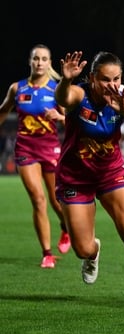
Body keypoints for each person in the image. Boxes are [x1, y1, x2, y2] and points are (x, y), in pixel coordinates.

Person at [54, 50, 124, 305]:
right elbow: (62, 97)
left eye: (116, 78)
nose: (112, 85)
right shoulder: (79, 95)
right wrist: (65, 80)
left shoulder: (123, 100)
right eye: (105, 79)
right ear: (92, 77)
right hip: (75, 178)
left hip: (110, 174)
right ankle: (93, 252)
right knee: (82, 249)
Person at [0, 44, 71, 269]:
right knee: (38, 199)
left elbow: (73, 122)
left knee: (55, 200)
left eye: (44, 59)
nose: (39, 62)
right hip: (25, 149)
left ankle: (65, 227)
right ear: (30, 61)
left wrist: (60, 117)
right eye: (36, 58)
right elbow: (3, 110)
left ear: (49, 63)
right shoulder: (17, 89)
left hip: (50, 149)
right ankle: (47, 254)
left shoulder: (57, 90)